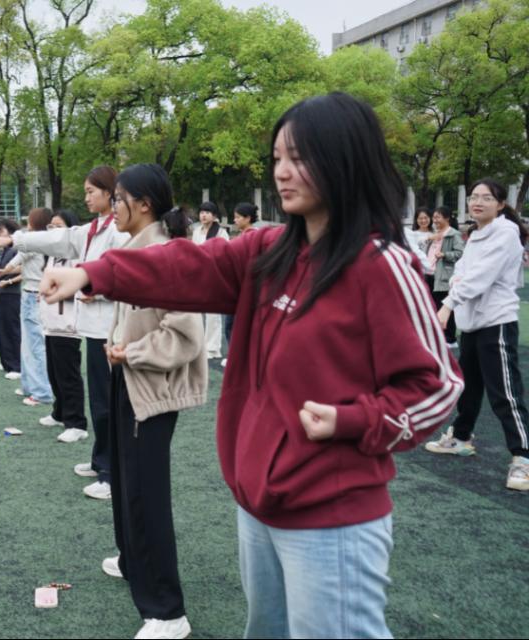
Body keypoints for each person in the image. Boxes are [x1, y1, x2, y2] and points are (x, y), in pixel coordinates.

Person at [41, 92, 462, 638]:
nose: (282, 172)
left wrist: (353, 420)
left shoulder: (381, 265)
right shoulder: (269, 250)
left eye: (299, 158)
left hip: (332, 514)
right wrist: (93, 274)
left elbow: (437, 387)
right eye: (277, 158)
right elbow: (185, 265)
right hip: (259, 503)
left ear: (345, 160)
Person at [98, 164, 206, 640]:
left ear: (144, 204)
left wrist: (133, 352)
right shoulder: (133, 250)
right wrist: (117, 345)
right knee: (126, 483)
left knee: (146, 495)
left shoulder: (166, 256)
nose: (111, 207)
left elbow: (185, 336)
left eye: (118, 198)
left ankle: (168, 612)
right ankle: (132, 561)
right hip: (127, 380)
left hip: (151, 388)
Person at [0, 166, 129, 501]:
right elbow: (57, 240)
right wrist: (15, 239)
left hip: (111, 331)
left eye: (91, 191)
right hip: (93, 329)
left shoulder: (118, 232)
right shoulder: (92, 229)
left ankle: (112, 474)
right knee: (99, 402)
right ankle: (101, 461)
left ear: (109, 192)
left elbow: (124, 276)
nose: (86, 197)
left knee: (107, 404)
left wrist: (98, 291)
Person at [426, 178, 529, 492]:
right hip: (472, 323)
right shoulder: (475, 235)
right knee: (468, 387)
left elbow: (481, 276)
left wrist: (447, 305)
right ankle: (461, 437)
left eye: (486, 197)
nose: (477, 202)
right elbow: (461, 273)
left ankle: (523, 457)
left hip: (496, 321)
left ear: (500, 204)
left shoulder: (505, 233)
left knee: (505, 393)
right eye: (473, 197)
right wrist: (456, 290)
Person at [0, 208, 54, 406]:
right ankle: (30, 386)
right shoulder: (45, 241)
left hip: (33, 295)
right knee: (28, 345)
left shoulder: (33, 242)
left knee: (35, 346)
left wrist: (1, 272)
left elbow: (14, 261)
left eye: (29, 220)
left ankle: (41, 392)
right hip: (32, 294)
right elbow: (18, 263)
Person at [38, 209, 87, 432]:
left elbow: (76, 286)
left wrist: (55, 289)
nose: (53, 231)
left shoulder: (76, 256)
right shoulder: (52, 255)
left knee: (68, 375)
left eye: (58, 226)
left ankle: (76, 423)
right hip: (51, 324)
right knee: (54, 373)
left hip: (67, 324)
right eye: (51, 226)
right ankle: (59, 413)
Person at [421, 206, 464, 347]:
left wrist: (445, 254)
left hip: (444, 276)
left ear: (447, 218)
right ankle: (438, 336)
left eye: (438, 217)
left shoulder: (454, 234)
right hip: (429, 274)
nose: (435, 220)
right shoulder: (434, 234)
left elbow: (460, 253)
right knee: (432, 306)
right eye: (434, 217)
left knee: (445, 307)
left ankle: (450, 339)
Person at [191, 201, 229, 360]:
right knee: (197, 313)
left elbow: (225, 253)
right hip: (198, 275)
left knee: (213, 314)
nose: (203, 215)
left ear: (214, 216)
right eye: (201, 212)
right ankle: (199, 345)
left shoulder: (221, 233)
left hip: (214, 275)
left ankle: (213, 348)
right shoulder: (196, 231)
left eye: (207, 212)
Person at [224, 203, 260, 365]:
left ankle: (239, 358)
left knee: (234, 325)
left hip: (245, 288)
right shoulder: (244, 235)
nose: (235, 220)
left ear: (248, 218)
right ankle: (237, 357)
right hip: (239, 287)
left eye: (238, 217)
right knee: (232, 325)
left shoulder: (252, 236)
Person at [0, 218, 22, 379]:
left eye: (1, 231)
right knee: (3, 329)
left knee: (12, 330)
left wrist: (8, 281)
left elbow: (23, 270)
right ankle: (7, 362)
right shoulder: (6, 249)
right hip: (4, 294)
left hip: (13, 294)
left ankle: (16, 366)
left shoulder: (17, 249)